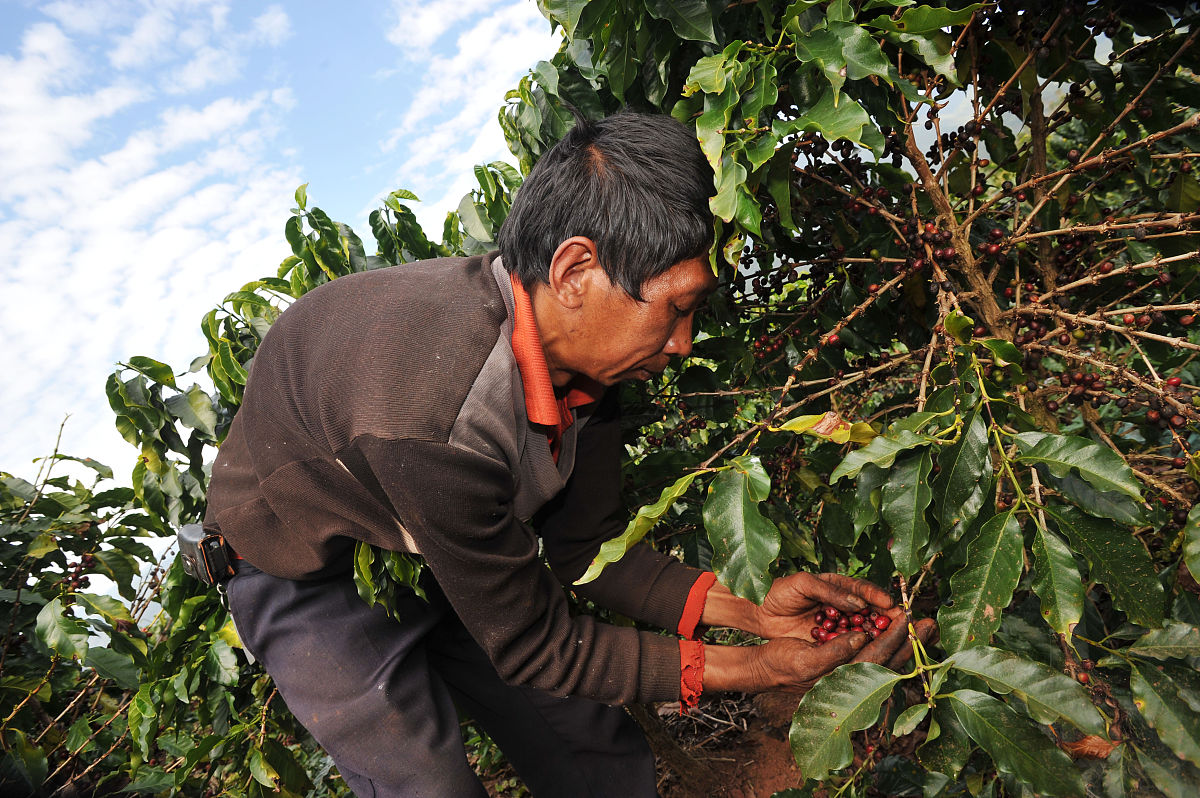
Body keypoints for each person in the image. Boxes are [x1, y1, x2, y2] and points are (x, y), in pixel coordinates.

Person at [203, 111, 936, 798]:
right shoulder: (439, 416)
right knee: (426, 783)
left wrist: (756, 615)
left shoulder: (593, 366)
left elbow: (585, 549)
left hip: (434, 535)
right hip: (304, 569)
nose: (682, 344)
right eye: (675, 307)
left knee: (591, 747)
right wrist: (760, 669)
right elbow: (538, 646)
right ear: (574, 271)